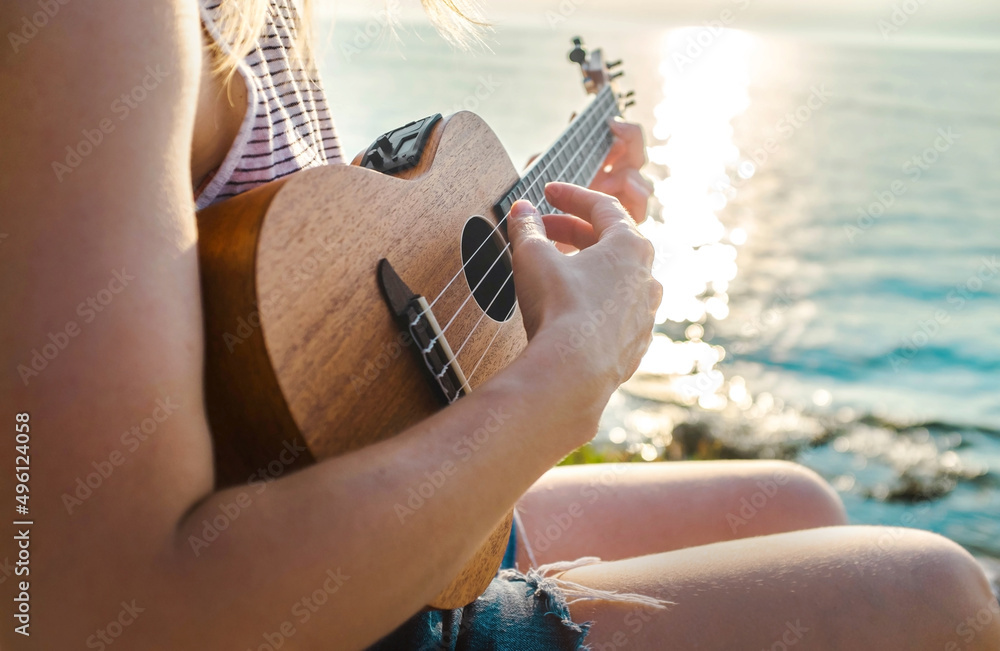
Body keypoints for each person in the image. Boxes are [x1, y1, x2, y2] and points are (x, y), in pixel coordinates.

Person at [1, 0, 997, 649]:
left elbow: (319, 346)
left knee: (802, 501)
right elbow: (80, 613)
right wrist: (569, 378)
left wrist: (531, 298)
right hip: (286, 608)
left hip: (329, 516)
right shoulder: (98, 23)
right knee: (931, 596)